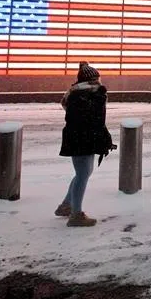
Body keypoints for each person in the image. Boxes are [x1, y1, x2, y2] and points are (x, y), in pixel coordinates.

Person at [57, 62, 107, 227]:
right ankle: (75, 214)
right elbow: (96, 120)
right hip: (83, 138)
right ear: (93, 79)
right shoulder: (89, 94)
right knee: (82, 174)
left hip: (76, 137)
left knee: (83, 172)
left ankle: (66, 205)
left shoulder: (76, 94)